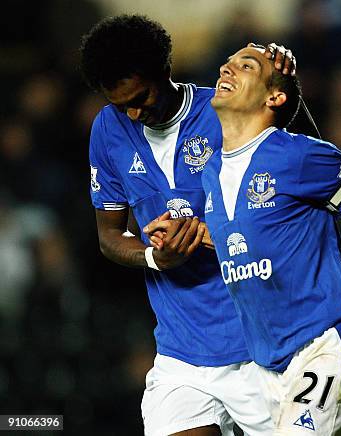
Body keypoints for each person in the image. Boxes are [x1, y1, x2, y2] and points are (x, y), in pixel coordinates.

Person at [146, 45, 341, 435]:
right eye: (228, 63)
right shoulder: (212, 172)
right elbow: (246, 237)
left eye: (246, 66)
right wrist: (183, 234)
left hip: (328, 345)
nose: (227, 68)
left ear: (274, 97)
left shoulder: (302, 157)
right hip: (269, 366)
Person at [80, 15, 295, 436]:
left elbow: (303, 181)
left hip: (264, 347)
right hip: (183, 356)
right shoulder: (108, 129)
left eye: (140, 97)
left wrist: (286, 91)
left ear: (165, 70)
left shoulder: (225, 109)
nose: (133, 113)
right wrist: (154, 257)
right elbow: (108, 234)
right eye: (121, 103)